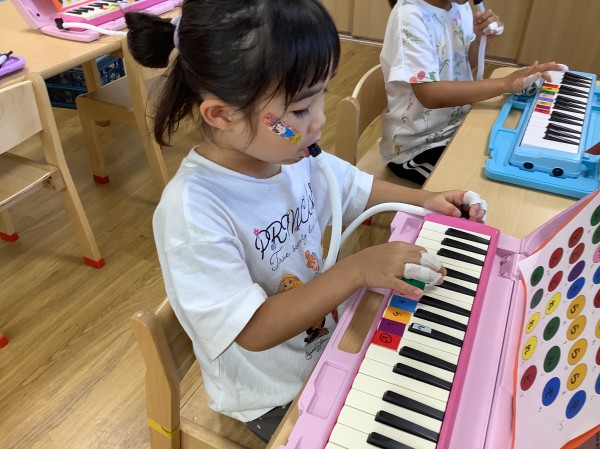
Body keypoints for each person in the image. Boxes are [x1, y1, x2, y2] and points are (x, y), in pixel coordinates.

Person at [125, 0, 487, 442]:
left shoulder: (290, 155)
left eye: (322, 96)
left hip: (330, 345)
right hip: (276, 394)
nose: (319, 120)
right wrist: (356, 270)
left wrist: (427, 200)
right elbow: (253, 329)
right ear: (221, 114)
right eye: (299, 110)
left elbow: (356, 188)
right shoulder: (194, 212)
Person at [381, 0, 565, 185]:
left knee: (510, 160)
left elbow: (462, 62)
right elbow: (430, 95)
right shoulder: (410, 16)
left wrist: (480, 40)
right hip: (417, 147)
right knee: (481, 187)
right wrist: (504, 84)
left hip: (458, 126)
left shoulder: (460, 6)